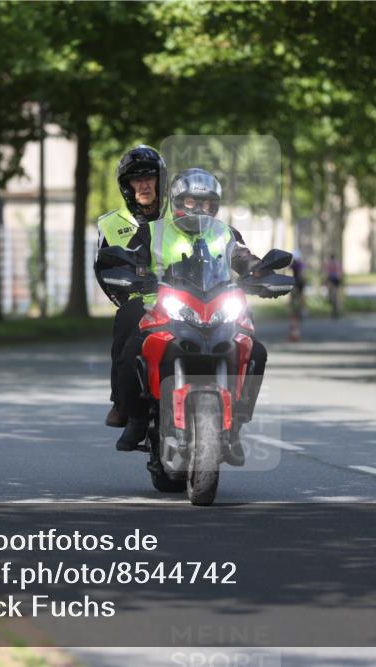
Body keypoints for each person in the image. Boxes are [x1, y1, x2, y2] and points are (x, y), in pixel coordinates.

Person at [113, 168, 268, 466]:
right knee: (130, 352)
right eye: (191, 201)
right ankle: (135, 418)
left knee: (256, 351)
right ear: (175, 201)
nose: (199, 209)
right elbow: (131, 257)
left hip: (217, 308)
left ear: (215, 205)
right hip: (160, 308)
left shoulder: (225, 232)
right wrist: (133, 273)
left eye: (206, 203)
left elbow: (245, 257)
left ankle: (235, 425)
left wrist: (261, 272)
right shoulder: (152, 231)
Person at [93, 145, 170, 428]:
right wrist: (124, 294)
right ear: (126, 185)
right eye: (136, 179)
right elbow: (103, 267)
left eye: (150, 177)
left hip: (185, 294)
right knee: (125, 321)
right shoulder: (110, 223)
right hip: (142, 297)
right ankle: (122, 403)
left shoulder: (180, 214)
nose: (144, 184)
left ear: (161, 180)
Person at [325, 254, 343, 319]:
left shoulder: (331, 264)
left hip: (334, 280)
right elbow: (340, 273)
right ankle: (335, 308)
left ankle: (335, 309)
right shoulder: (336, 264)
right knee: (334, 295)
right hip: (334, 280)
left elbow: (329, 274)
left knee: (334, 295)